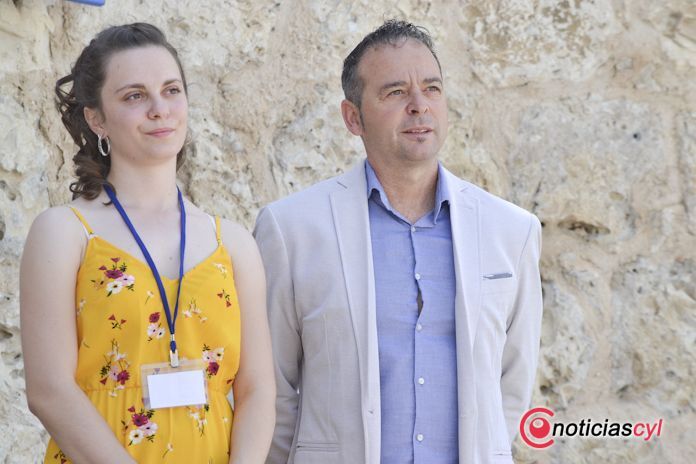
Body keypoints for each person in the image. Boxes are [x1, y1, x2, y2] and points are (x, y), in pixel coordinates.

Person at [254, 20, 543, 464]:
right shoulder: (291, 230)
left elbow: (513, 385)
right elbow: (272, 388)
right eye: (395, 92)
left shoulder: (512, 231)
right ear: (353, 117)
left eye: (432, 88)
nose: (419, 106)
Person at [20, 23, 274, 464]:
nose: (160, 109)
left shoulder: (232, 244)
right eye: (135, 96)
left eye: (171, 90)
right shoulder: (64, 233)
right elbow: (49, 390)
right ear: (96, 119)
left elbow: (258, 389)